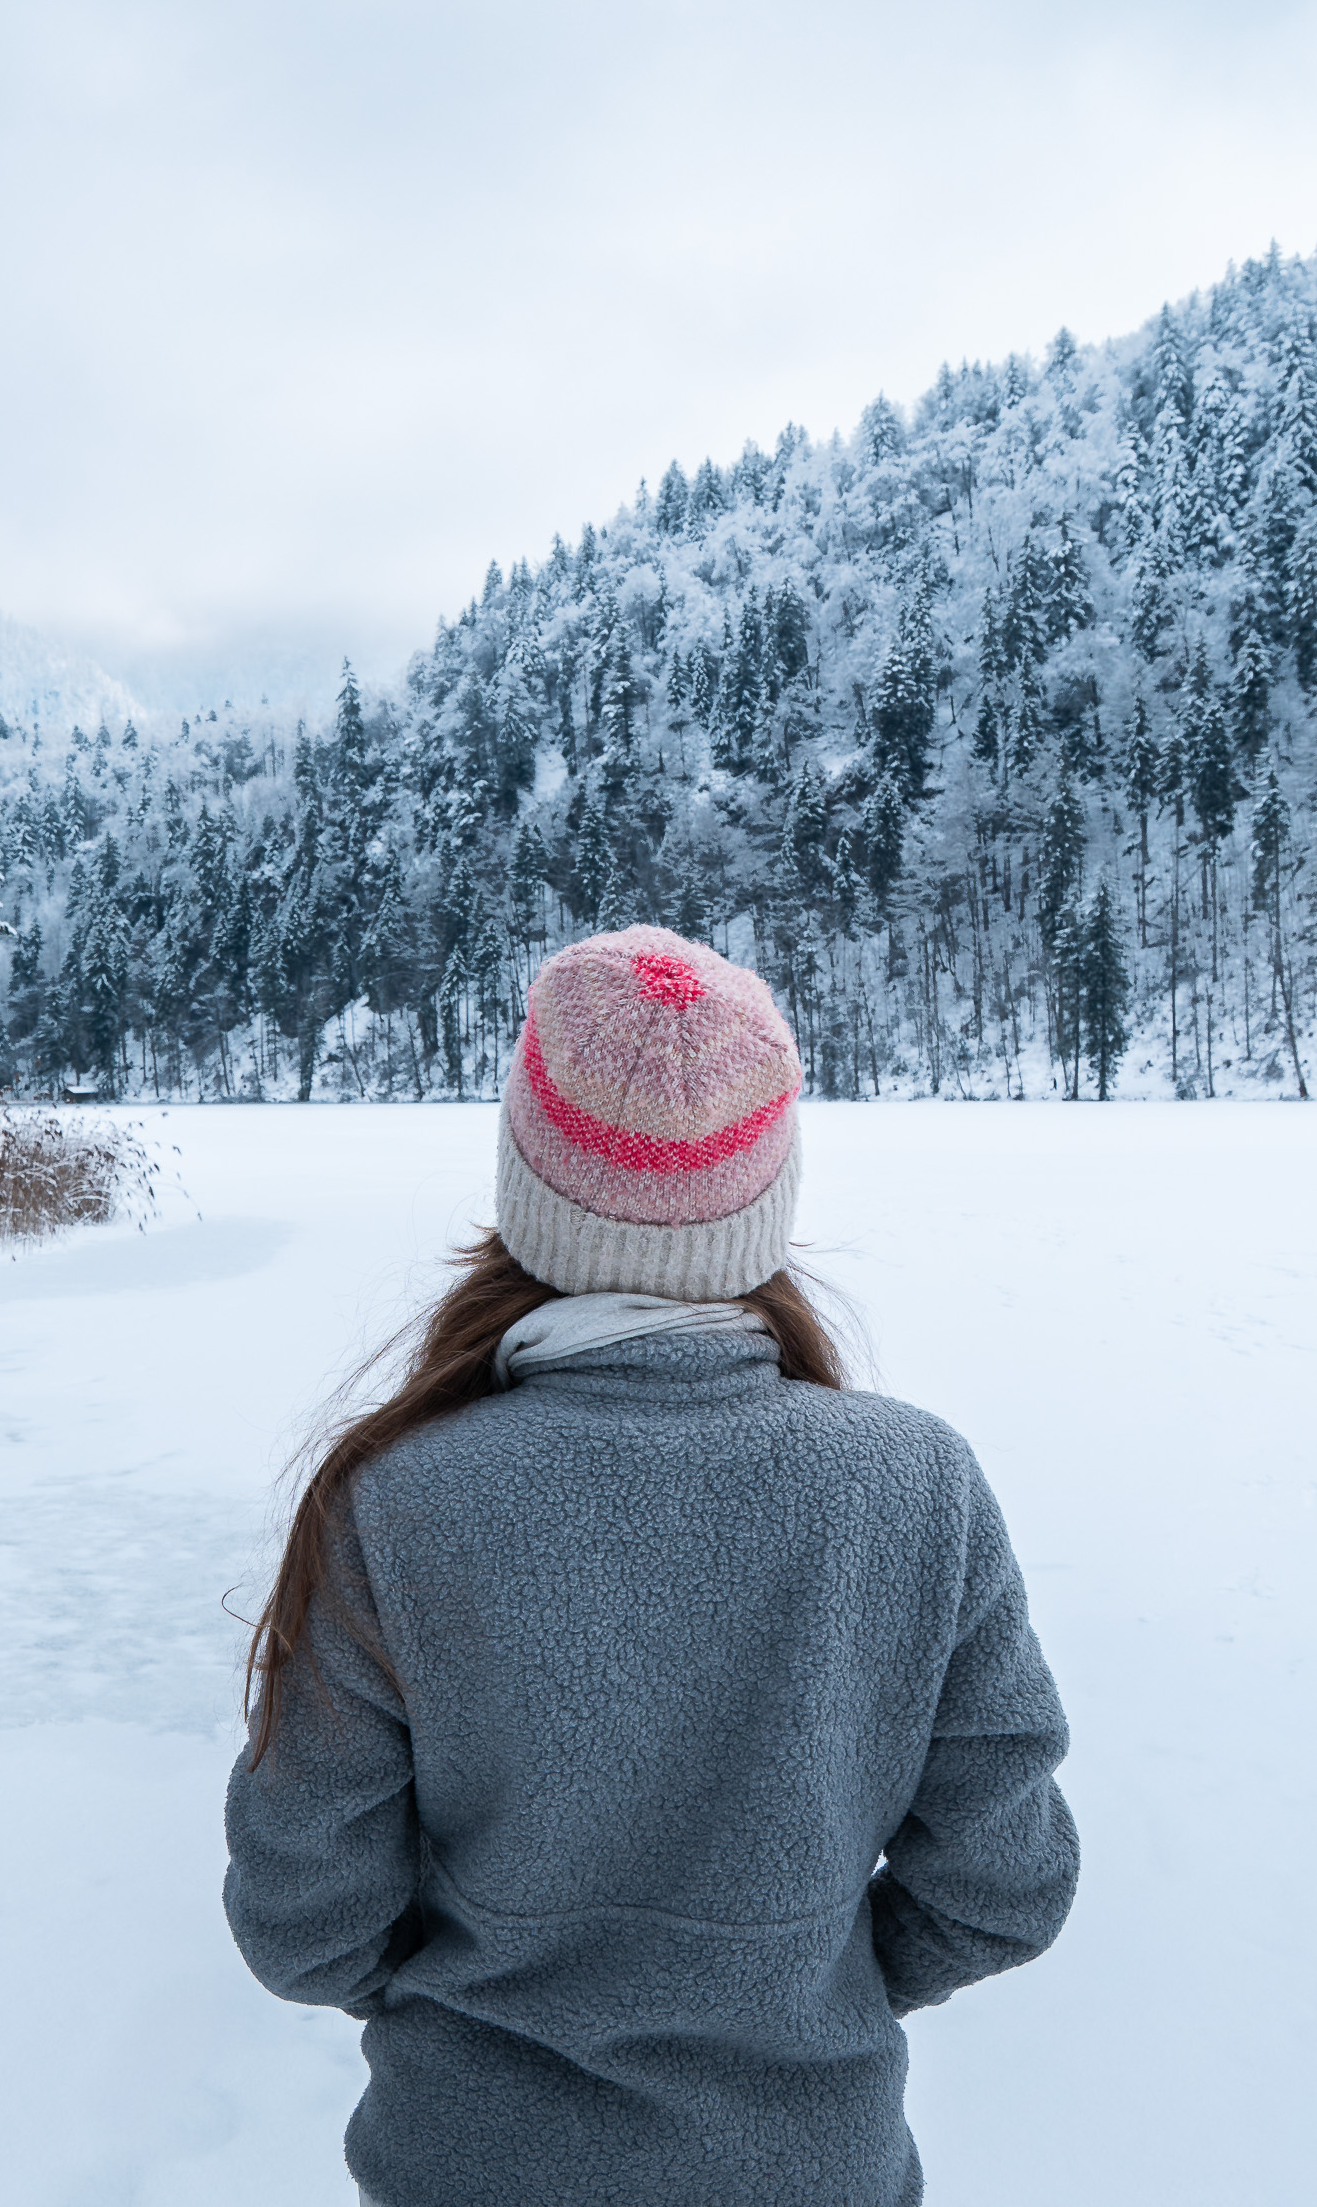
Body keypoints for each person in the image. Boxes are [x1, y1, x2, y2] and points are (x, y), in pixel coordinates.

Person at [223, 926, 1077, 2207]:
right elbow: (1002, 1887)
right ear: (765, 1198)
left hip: (467, 2163)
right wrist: (806, 1983)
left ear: (526, 1182)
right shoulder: (913, 1485)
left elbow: (305, 1923)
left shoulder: (397, 1499)